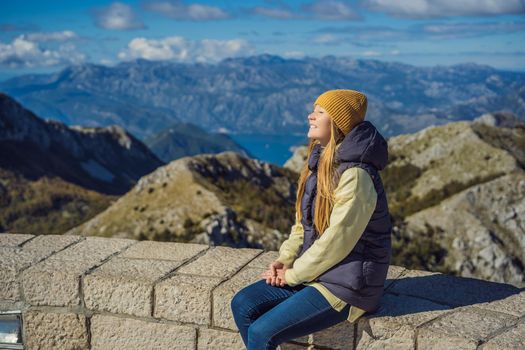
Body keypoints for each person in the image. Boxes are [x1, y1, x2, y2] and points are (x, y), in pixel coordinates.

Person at [230, 89, 392, 349]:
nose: (310, 116)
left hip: (348, 285)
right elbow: (302, 226)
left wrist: (292, 276)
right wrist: (284, 259)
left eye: (320, 112)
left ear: (338, 122)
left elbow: (337, 241)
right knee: (243, 303)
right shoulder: (320, 163)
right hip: (319, 272)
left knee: (262, 332)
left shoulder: (357, 176)